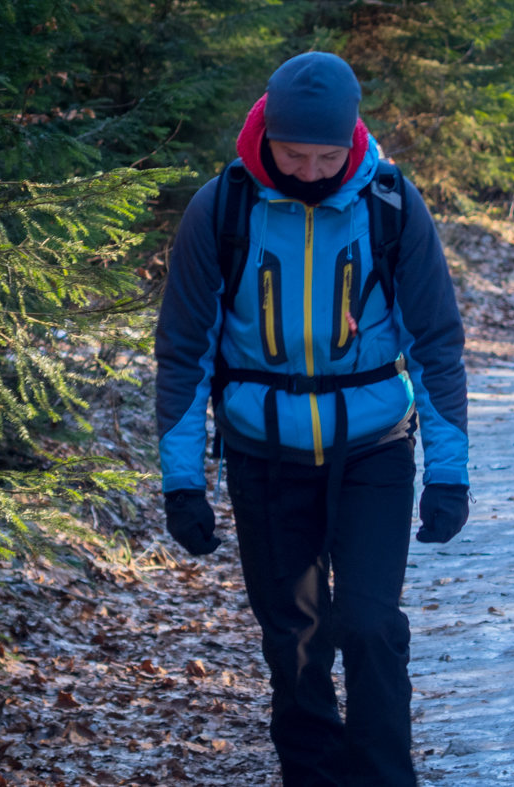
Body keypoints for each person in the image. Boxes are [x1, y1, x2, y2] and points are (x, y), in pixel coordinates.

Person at [154, 52, 470, 787]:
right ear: (267, 132)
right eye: (293, 152)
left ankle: (385, 777)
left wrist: (448, 475)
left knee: (368, 621)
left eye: (325, 154)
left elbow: (436, 345)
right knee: (292, 639)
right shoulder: (222, 208)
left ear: (351, 138)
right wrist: (182, 482)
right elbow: (183, 351)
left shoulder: (389, 203)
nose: (306, 169)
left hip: (373, 449)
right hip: (262, 451)